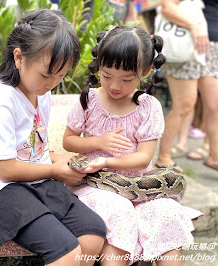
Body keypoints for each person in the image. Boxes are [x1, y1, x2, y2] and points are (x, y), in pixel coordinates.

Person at [0, 9, 106, 266]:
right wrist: (54, 170)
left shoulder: (42, 91)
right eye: (46, 74)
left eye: (61, 75)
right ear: (19, 57)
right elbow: (6, 169)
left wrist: (69, 161)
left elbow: (37, 151)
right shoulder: (1, 98)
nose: (52, 83)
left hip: (37, 184)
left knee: (93, 234)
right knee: (67, 252)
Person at [63, 26, 203, 265]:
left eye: (126, 79)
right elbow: (68, 141)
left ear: (146, 70)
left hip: (139, 186)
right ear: (99, 67)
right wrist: (99, 142)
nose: (115, 86)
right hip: (93, 186)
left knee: (166, 213)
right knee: (118, 210)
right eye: (106, 76)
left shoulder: (149, 107)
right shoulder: (89, 100)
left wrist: (107, 160)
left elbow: (143, 158)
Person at [155, 0, 218, 172]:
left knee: (214, 105)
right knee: (184, 105)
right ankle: (163, 157)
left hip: (210, 46)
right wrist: (194, 26)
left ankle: (215, 156)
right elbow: (167, 6)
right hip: (189, 46)